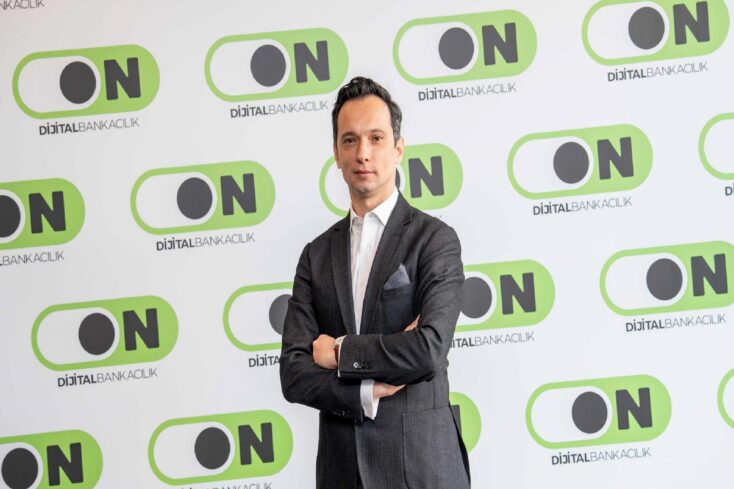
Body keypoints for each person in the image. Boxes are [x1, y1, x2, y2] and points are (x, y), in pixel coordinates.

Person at [279, 76, 470, 489]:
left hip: (420, 470)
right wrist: (362, 393)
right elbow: (293, 373)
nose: (362, 153)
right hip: (342, 472)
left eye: (376, 138)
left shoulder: (435, 240)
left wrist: (340, 352)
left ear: (398, 149)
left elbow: (427, 350)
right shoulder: (315, 255)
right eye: (349, 140)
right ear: (336, 153)